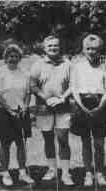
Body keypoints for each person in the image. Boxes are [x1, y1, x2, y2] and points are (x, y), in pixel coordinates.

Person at [30, 35, 74, 185]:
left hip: (63, 107)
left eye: (56, 45)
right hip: (44, 107)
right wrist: (46, 98)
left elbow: (73, 85)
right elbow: (33, 86)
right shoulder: (37, 64)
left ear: (60, 47)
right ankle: (52, 169)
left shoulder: (68, 64)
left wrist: (62, 98)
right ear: (44, 48)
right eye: (50, 46)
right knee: (48, 139)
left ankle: (66, 173)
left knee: (63, 139)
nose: (53, 48)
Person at [70, 34, 106, 186]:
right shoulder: (77, 66)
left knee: (99, 143)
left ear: (99, 49)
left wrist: (100, 106)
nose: (91, 52)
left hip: (100, 103)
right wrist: (82, 107)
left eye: (95, 49)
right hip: (82, 104)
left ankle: (99, 172)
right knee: (86, 142)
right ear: (83, 49)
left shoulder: (104, 65)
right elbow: (74, 88)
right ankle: (88, 173)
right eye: (88, 49)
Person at [0, 44, 35, 186]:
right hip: (4, 112)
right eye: (10, 56)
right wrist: (10, 110)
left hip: (21, 112)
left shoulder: (25, 72)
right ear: (6, 57)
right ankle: (5, 173)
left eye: (16, 56)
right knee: (5, 144)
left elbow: (28, 93)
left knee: (21, 143)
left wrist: (25, 106)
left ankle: (22, 172)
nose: (13, 59)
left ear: (19, 58)